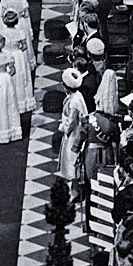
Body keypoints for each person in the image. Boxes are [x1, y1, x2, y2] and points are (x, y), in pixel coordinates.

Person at [59, 68, 89, 200]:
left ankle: (75, 192)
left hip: (74, 134)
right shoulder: (78, 96)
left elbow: (70, 123)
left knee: (71, 161)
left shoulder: (73, 102)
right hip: (79, 130)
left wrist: (63, 128)